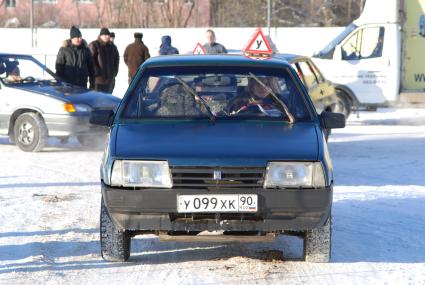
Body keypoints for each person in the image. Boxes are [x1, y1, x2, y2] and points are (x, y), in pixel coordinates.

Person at [88, 28, 119, 93]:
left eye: (108, 35)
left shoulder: (112, 46)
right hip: (98, 81)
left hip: (110, 80)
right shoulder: (94, 45)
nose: (107, 36)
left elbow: (116, 60)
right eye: (105, 35)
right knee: (96, 100)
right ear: (101, 36)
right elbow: (90, 60)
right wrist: (96, 72)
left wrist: (114, 72)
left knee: (107, 101)